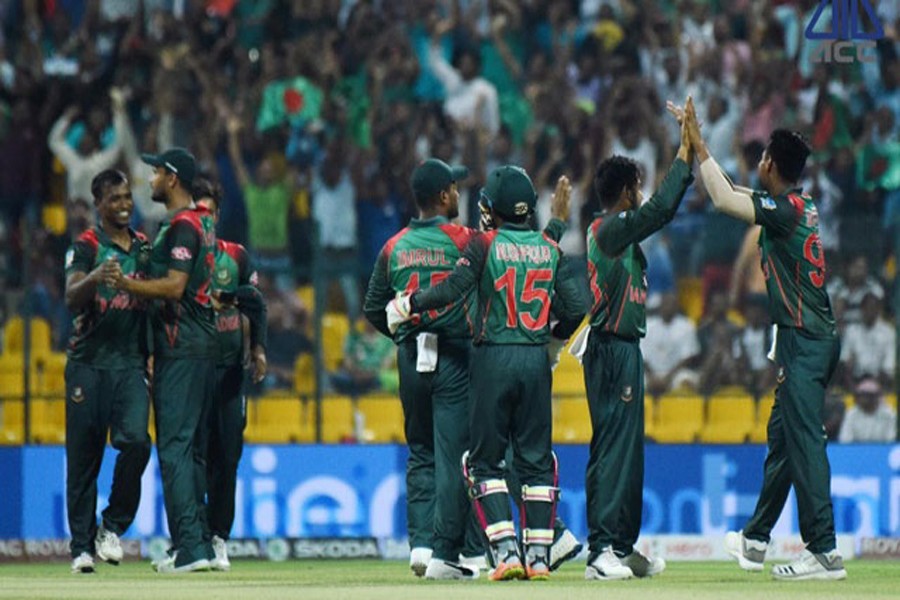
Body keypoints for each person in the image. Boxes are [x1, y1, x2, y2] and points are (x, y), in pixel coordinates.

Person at [365, 159, 581, 580]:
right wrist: (553, 339)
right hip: (524, 358)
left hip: (479, 357)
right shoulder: (535, 246)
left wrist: (408, 309)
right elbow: (570, 304)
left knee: (472, 460)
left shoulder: (462, 244)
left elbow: (445, 289)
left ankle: (491, 551)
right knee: (532, 459)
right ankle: (539, 552)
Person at [680, 97, 847, 580]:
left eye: (762, 158)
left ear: (770, 164)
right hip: (807, 338)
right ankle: (755, 541)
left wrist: (698, 145)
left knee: (805, 441)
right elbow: (734, 191)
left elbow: (723, 199)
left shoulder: (786, 211)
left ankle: (824, 551)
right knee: (784, 442)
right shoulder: (799, 205)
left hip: (805, 339)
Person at [578, 116, 693, 581]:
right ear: (627, 193)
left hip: (624, 349)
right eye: (638, 187)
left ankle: (621, 547)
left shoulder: (617, 233)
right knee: (612, 449)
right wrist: (684, 155)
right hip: (610, 348)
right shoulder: (607, 229)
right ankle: (601, 550)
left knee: (627, 451)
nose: (642, 194)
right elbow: (661, 211)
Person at [108, 148, 217, 573]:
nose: (150, 179)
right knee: (188, 449)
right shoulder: (195, 222)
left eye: (155, 172)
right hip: (192, 346)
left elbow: (173, 287)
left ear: (172, 178)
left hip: (182, 347)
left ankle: (190, 548)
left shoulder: (185, 225)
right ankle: (196, 544)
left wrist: (126, 284)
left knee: (174, 449)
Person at [64, 169, 152, 574]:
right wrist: (96, 277)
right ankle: (81, 548)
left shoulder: (145, 248)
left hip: (130, 364)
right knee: (84, 458)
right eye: (114, 199)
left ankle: (112, 525)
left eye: (126, 197)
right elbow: (70, 296)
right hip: (88, 364)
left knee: (137, 443)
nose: (123, 205)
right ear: (98, 204)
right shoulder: (85, 247)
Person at [193, 177, 268, 571]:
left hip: (229, 372)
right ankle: (190, 539)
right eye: (198, 213)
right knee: (192, 457)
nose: (205, 220)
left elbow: (255, 303)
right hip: (190, 370)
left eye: (210, 214)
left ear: (218, 216)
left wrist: (258, 349)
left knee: (227, 457)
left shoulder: (235, 256)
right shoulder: (178, 259)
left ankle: (218, 537)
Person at [838, 378, 897, 443]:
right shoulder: (851, 414)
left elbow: (891, 440)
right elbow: (845, 440)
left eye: (870, 395)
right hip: (857, 449)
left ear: (877, 397)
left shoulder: (889, 414)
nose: (866, 399)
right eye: (863, 395)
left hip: (882, 449)